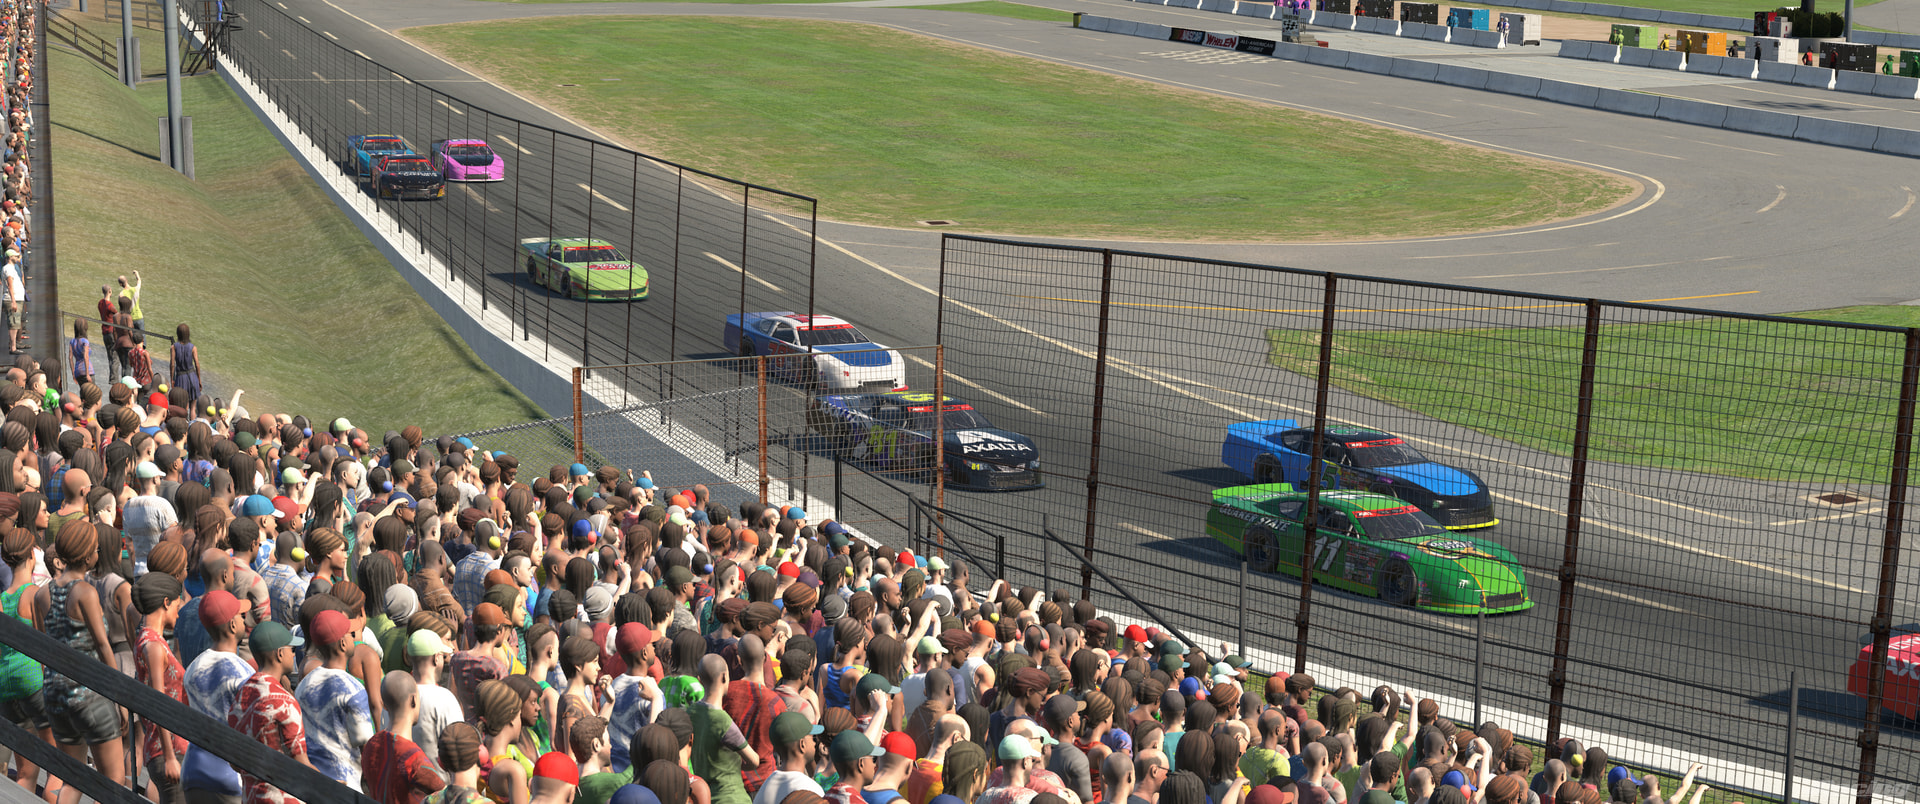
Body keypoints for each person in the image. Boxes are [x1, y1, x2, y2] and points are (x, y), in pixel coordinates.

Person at [228, 622, 310, 804]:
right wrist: (332, 787)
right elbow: (301, 764)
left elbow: (234, 763)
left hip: (251, 797)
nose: (293, 654)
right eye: (292, 649)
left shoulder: (242, 695)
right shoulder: (284, 702)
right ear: (280, 654)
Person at [296, 609, 375, 793]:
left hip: (312, 782)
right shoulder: (353, 689)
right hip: (346, 785)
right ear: (342, 644)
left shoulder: (304, 683)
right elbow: (365, 744)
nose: (353, 637)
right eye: (350, 634)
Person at [132, 572, 189, 804]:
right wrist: (169, 757)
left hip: (162, 745)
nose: (178, 611)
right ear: (166, 602)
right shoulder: (154, 646)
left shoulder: (145, 639)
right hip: (170, 748)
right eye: (176, 604)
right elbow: (159, 702)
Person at [364, 671, 447, 804]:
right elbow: (445, 793)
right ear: (413, 700)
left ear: (384, 705)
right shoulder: (413, 758)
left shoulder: (371, 745)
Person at [691, 654, 759, 804]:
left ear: (699, 680)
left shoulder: (690, 713)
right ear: (724, 677)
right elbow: (754, 761)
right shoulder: (722, 720)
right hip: (731, 797)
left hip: (704, 797)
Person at [755, 712, 825, 804]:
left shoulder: (765, 788)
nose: (815, 743)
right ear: (802, 745)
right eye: (813, 738)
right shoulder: (811, 790)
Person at [171, 323, 201, 404]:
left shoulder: (173, 347)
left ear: (178, 334)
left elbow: (172, 365)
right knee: (193, 405)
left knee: (182, 404)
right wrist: (199, 380)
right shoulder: (193, 347)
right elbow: (197, 365)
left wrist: (172, 379)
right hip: (192, 377)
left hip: (180, 378)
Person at [66, 320, 91, 391]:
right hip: (86, 370)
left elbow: (70, 358)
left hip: (77, 371)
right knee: (91, 393)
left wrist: (73, 373)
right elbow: (86, 357)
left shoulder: (72, 341)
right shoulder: (85, 341)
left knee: (83, 391)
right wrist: (87, 374)